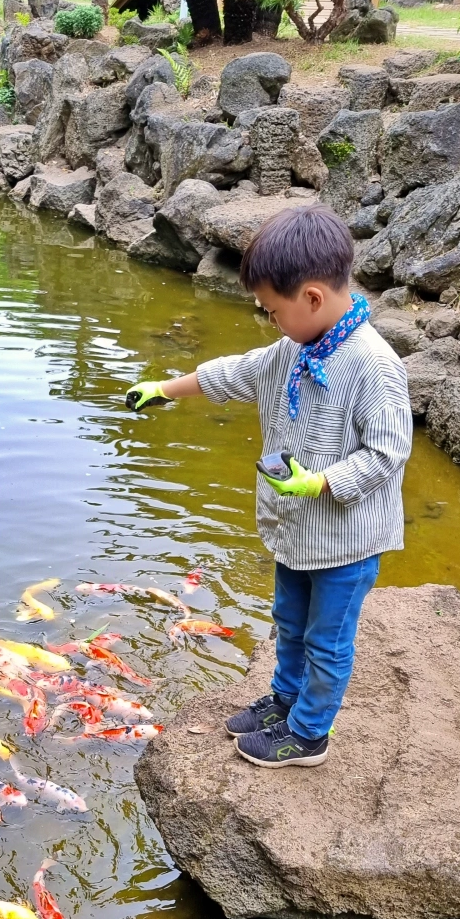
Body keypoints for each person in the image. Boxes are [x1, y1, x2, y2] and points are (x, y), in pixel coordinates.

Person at [124, 205, 412, 769]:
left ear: (310, 298)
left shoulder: (374, 365)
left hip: (346, 545)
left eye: (272, 312)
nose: (269, 322)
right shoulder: (295, 349)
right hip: (296, 535)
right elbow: (234, 372)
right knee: (289, 621)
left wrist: (324, 482)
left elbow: (389, 451)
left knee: (327, 642)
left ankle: (308, 734)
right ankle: (284, 700)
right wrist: (164, 387)